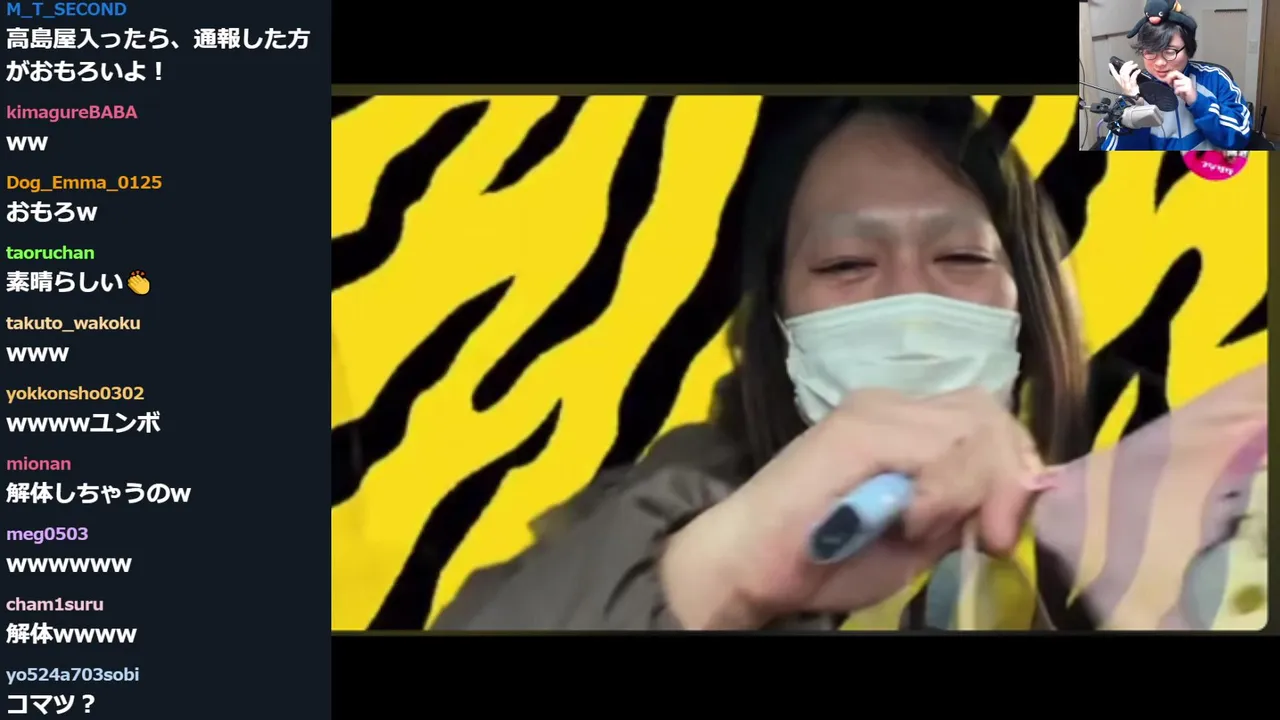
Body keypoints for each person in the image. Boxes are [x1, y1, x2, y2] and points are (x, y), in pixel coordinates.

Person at [432, 96, 1097, 631]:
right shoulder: (652, 518)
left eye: (962, 258)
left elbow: (1153, 45)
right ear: (778, 322)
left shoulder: (1122, 519)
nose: (911, 300)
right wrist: (724, 574)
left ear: (1029, 300)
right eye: (846, 265)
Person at [1102, 11, 1253, 151]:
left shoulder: (1216, 79)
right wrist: (1132, 109)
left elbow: (1241, 135)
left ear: (1188, 49)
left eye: (1169, 52)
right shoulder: (1134, 90)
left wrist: (1198, 102)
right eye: (1150, 52)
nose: (1159, 63)